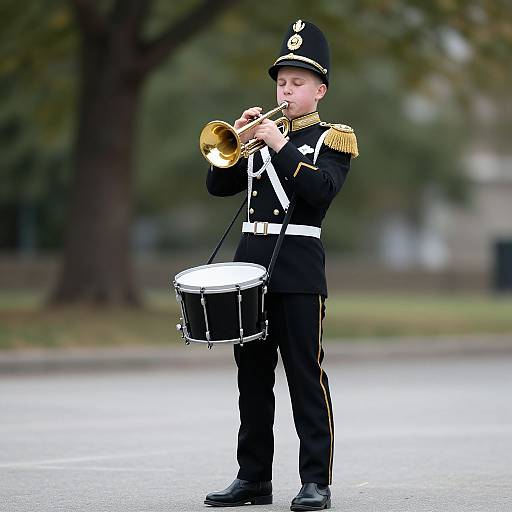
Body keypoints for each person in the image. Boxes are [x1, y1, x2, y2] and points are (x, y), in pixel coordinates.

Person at [204, 19, 358, 511]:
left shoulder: (332, 139)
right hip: (250, 267)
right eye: (281, 82)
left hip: (297, 269)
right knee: (251, 377)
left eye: (297, 83)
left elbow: (320, 191)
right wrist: (239, 139)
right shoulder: (259, 137)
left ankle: (316, 481)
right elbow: (218, 188)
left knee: (304, 377)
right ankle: (253, 478)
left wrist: (277, 144)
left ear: (320, 90)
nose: (286, 91)